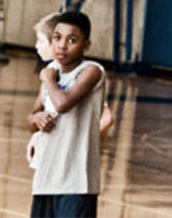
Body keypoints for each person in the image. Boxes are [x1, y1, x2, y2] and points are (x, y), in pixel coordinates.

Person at [27, 11, 104, 217]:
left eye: (71, 40)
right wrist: (37, 118)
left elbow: (63, 104)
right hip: (46, 177)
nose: (62, 45)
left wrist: (49, 80)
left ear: (86, 45)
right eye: (57, 38)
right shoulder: (52, 70)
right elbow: (31, 119)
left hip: (76, 182)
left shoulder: (91, 71)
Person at [26, 12, 113, 166]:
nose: (37, 46)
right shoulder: (50, 72)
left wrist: (78, 141)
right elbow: (34, 117)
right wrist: (37, 124)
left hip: (72, 162)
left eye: (41, 41)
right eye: (58, 38)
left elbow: (107, 117)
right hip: (47, 158)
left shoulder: (86, 73)